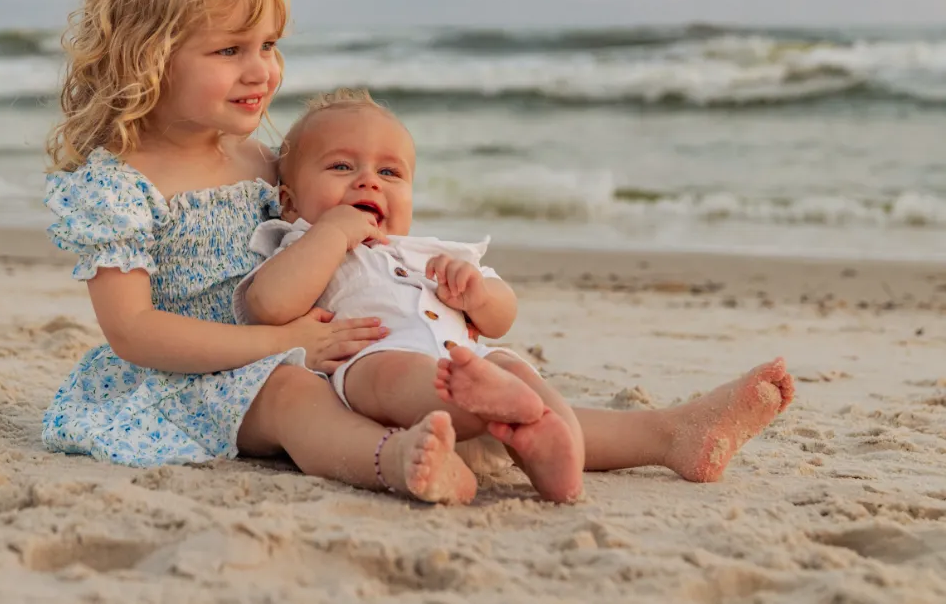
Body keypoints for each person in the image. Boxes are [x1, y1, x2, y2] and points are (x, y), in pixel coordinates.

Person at [42, 0, 478, 504]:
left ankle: (559, 431)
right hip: (187, 380)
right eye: (229, 50)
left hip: (308, 345)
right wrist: (280, 343)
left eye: (269, 45)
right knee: (293, 397)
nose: (262, 71)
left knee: (386, 374)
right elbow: (134, 331)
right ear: (148, 57)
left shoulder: (264, 161)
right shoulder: (122, 187)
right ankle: (393, 460)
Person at [235, 88, 796, 502]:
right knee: (398, 372)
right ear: (288, 200)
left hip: (474, 363)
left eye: (390, 172)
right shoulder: (302, 240)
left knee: (509, 367)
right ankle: (502, 411)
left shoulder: (428, 250)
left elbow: (502, 316)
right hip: (369, 365)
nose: (369, 182)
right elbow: (271, 304)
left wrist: (478, 293)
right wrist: (334, 232)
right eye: (341, 167)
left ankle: (601, 451)